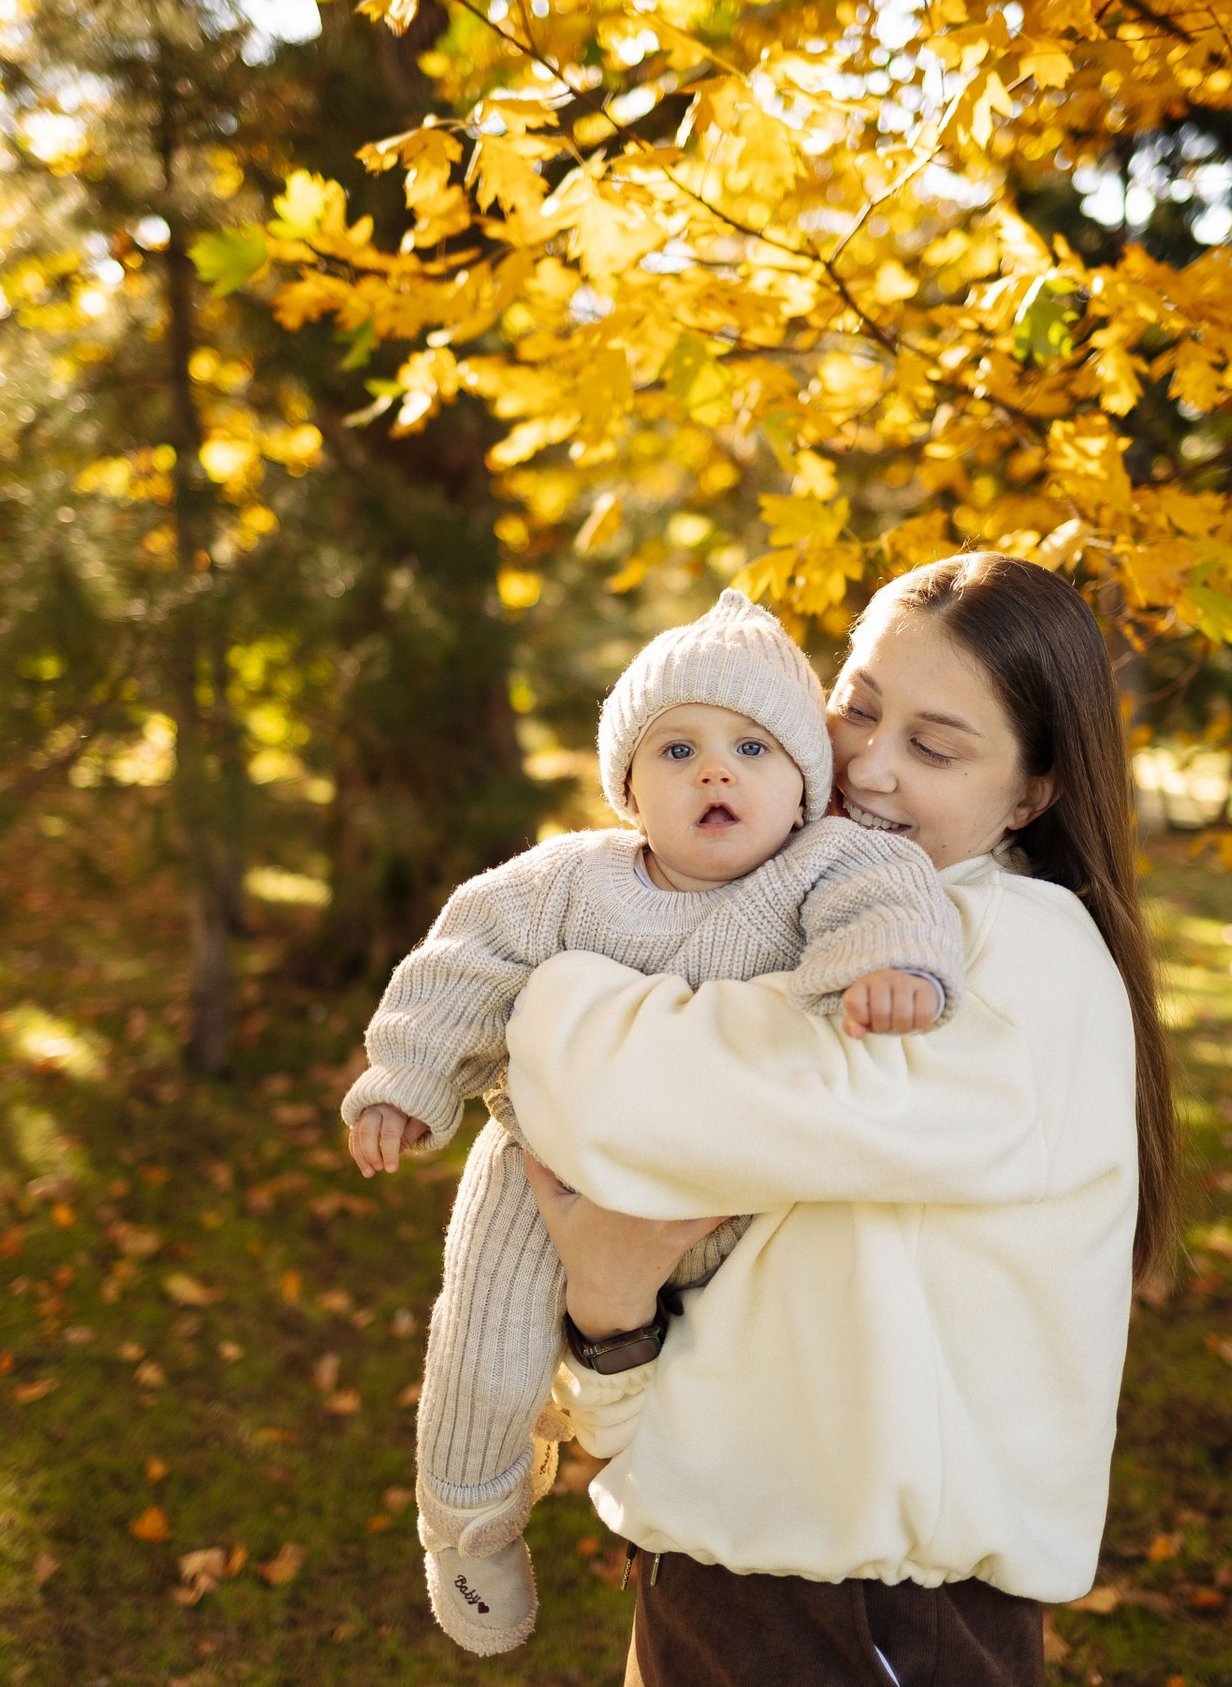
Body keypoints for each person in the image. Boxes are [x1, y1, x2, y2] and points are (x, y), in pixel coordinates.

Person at [506, 552, 1180, 1686]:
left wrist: (546, 986)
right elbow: (735, 1290)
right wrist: (610, 1321)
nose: (865, 765)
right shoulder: (810, 928)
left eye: (935, 745)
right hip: (710, 1583)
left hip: (865, 1614)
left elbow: (619, 1102)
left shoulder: (1009, 957)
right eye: (857, 706)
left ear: (1030, 794)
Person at [337, 589, 969, 1654]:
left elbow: (889, 893)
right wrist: (405, 1077)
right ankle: (470, 1521)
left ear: (807, 791)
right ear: (626, 788)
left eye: (754, 748)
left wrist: (893, 967)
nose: (714, 770)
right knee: (484, 1342)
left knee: (703, 1371)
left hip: (728, 1199)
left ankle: (628, 1472)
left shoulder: (820, 865)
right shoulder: (568, 881)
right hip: (537, 1173)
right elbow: (460, 961)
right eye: (675, 749)